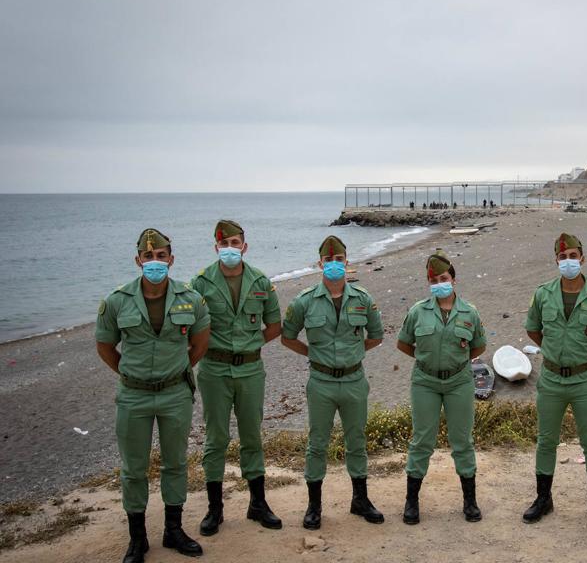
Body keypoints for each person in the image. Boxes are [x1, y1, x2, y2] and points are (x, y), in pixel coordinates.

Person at [95, 229, 210, 563]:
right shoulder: (117, 301)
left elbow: (200, 342)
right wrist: (131, 374)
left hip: (175, 393)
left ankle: (173, 531)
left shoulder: (190, 298)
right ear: (138, 261)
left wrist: (177, 369)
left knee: (175, 462)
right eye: (149, 257)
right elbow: (105, 346)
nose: (155, 262)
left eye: (161, 256)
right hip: (134, 397)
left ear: (171, 260)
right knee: (134, 469)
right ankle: (137, 539)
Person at [281, 235, 385, 529]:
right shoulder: (304, 301)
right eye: (329, 261)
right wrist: (313, 354)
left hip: (354, 379)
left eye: (339, 260)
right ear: (320, 264)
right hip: (321, 382)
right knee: (317, 443)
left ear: (347, 262)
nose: (334, 265)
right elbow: (288, 337)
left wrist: (353, 354)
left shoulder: (363, 299)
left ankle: (360, 500)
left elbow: (376, 336)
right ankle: (314, 506)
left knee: (357, 441)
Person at [191, 220, 283, 536]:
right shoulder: (200, 283)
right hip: (214, 370)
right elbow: (190, 328)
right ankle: (215, 510)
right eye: (223, 243)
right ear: (216, 247)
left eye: (235, 242)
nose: (229, 248)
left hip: (250, 370)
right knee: (216, 438)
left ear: (245, 246)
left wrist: (247, 345)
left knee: (252, 436)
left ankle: (258, 504)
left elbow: (274, 325)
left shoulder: (260, 281)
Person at [523, 233, 587, 528]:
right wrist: (555, 353)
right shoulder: (543, 294)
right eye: (563, 257)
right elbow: (533, 330)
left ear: (583, 258)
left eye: (573, 256)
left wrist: (586, 353)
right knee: (546, 441)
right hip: (551, 378)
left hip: (583, 380)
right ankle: (543, 499)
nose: (569, 261)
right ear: (556, 260)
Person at [396, 250, 486, 524]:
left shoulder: (469, 313)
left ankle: (469, 502)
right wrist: (428, 363)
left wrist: (452, 364)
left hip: (459, 381)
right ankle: (412, 502)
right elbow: (403, 343)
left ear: (454, 279)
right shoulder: (417, 311)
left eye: (444, 277)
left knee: (462, 440)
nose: (439, 283)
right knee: (422, 440)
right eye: (434, 279)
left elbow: (478, 346)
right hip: (425, 382)